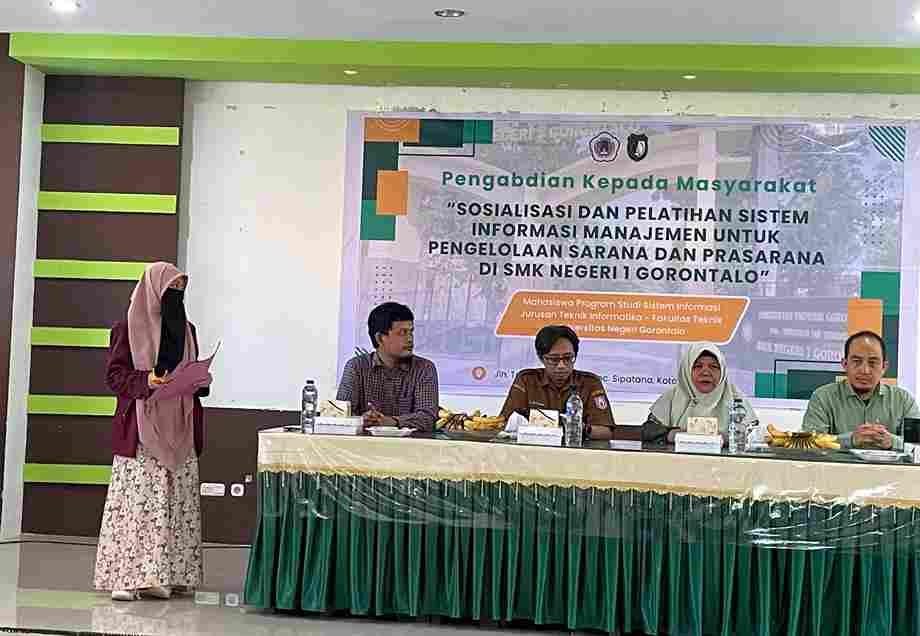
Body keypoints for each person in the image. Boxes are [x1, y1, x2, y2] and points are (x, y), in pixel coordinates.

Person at [94, 262, 212, 602]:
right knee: (138, 505)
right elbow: (115, 377)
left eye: (181, 289)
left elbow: (189, 371)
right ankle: (126, 577)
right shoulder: (126, 328)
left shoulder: (187, 329)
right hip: (142, 431)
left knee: (174, 504)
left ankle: (163, 575)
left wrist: (200, 381)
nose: (176, 295)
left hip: (181, 428)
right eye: (170, 289)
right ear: (153, 290)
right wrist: (147, 380)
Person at [802, 330, 919, 450]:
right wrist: (850, 440)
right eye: (856, 362)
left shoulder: (903, 400)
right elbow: (809, 443)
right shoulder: (823, 397)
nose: (865, 370)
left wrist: (892, 442)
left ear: (884, 367)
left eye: (872, 363)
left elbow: (917, 445)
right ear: (845, 364)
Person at [499, 325, 615, 440]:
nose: (561, 366)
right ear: (541, 358)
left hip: (575, 449)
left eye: (568, 358)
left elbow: (605, 432)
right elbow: (504, 423)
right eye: (554, 359)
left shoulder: (590, 383)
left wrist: (579, 428)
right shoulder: (526, 380)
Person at [336, 302, 439, 431]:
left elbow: (428, 418)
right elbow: (340, 415)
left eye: (411, 332)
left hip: (410, 443)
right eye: (402, 333)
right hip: (364, 442)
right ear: (380, 338)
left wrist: (392, 422)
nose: (410, 339)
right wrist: (362, 420)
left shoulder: (424, 368)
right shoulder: (356, 367)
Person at [642, 342, 756, 444]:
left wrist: (725, 438)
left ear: (722, 371)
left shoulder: (734, 395)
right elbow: (648, 431)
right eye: (698, 366)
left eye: (713, 366)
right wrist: (677, 435)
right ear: (686, 370)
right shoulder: (673, 395)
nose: (705, 372)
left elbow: (753, 433)